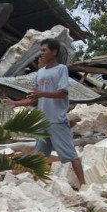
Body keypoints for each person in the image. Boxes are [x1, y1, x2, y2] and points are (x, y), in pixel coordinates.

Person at [10, 38, 86, 188]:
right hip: (43, 121)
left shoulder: (61, 69)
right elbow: (35, 99)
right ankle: (37, 186)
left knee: (70, 154)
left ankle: (83, 184)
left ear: (54, 52)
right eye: (41, 50)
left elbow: (62, 93)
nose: (42, 53)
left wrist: (42, 94)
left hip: (57, 120)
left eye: (45, 50)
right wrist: (15, 103)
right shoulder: (40, 73)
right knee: (40, 157)